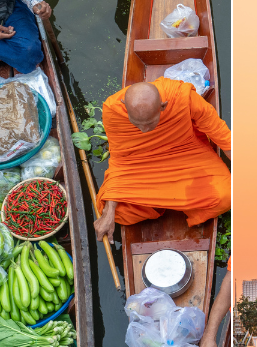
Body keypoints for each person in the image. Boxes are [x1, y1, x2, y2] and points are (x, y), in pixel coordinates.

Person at [93, 79, 231, 242]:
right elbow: (121, 158)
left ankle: (158, 202)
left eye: (150, 123)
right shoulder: (113, 110)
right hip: (142, 165)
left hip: (186, 155)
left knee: (226, 196)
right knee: (114, 212)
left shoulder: (184, 99)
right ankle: (169, 202)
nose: (144, 130)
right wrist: (109, 214)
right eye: (136, 124)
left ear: (163, 106)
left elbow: (224, 139)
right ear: (124, 105)